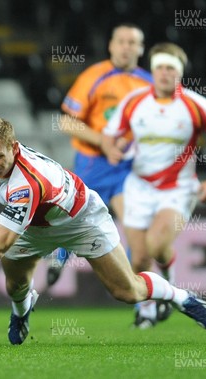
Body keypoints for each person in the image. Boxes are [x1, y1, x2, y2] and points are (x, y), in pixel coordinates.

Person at [0, 117, 206, 345]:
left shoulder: (27, 182)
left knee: (127, 291)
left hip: (81, 221)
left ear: (14, 148)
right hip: (34, 225)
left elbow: (0, 244)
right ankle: (22, 309)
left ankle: (183, 299)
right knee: (15, 285)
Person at [101, 42, 206, 328]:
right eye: (160, 67)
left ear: (180, 73)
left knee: (156, 244)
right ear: (153, 71)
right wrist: (112, 149)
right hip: (138, 186)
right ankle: (149, 311)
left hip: (178, 189)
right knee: (137, 259)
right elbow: (109, 135)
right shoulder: (134, 102)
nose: (165, 73)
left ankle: (171, 281)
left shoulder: (194, 104)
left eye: (171, 68)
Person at [50, 23, 152, 286]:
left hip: (127, 169)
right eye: (121, 41)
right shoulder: (94, 75)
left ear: (141, 48)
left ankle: (141, 302)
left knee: (136, 231)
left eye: (132, 42)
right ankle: (60, 256)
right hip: (92, 164)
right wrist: (103, 141)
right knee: (73, 218)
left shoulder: (149, 83)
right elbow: (66, 122)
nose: (126, 47)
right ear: (110, 45)